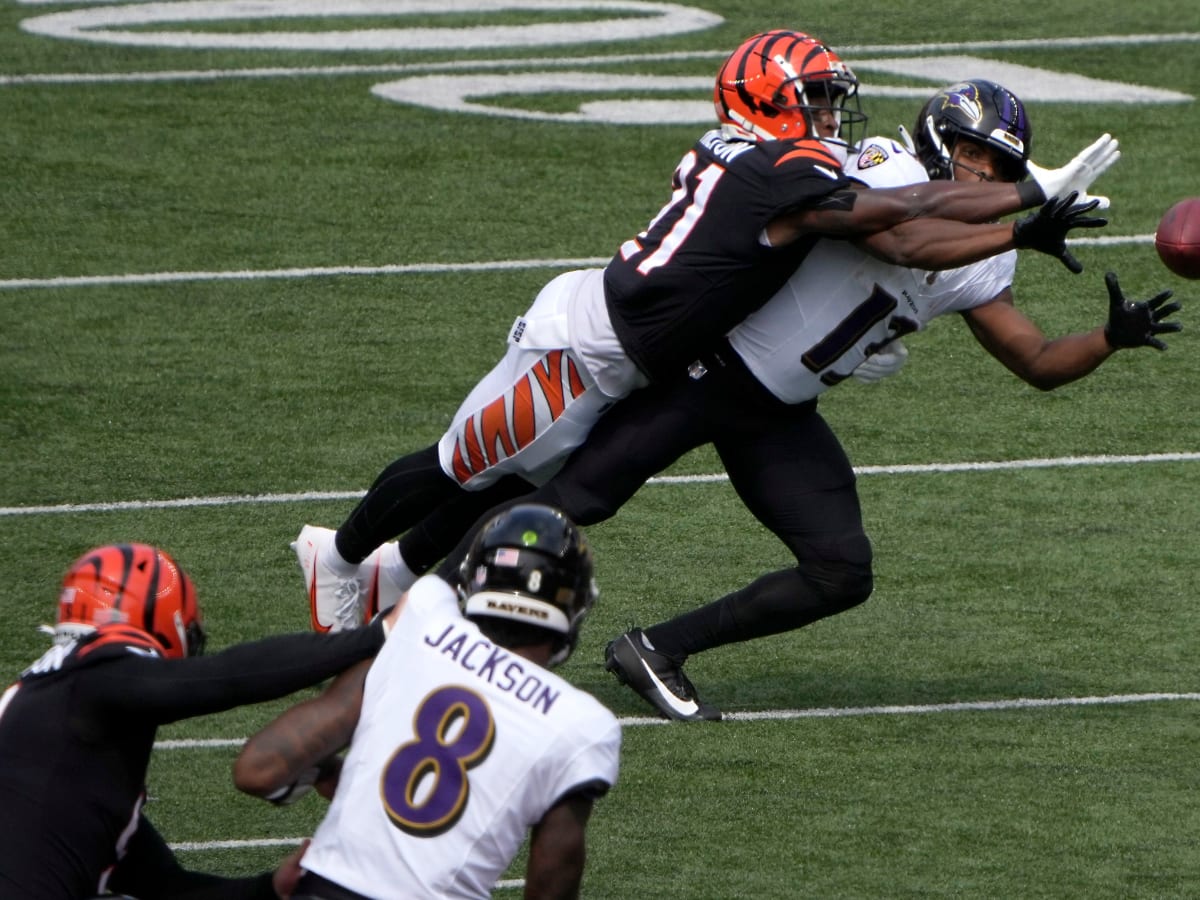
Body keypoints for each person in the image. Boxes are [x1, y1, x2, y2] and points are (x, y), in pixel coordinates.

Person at [344, 79, 1179, 723]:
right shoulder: (881, 165)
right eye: (978, 159)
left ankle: (656, 649)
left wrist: (1108, 339)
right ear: (938, 139)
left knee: (842, 569)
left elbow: (1031, 358)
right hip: (711, 366)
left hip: (778, 409)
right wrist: (1019, 221)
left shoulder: (987, 252)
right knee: (564, 499)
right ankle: (408, 626)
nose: (987, 175)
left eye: (1000, 168)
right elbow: (900, 234)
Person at [234, 505, 619, 900]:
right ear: (573, 609)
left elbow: (258, 770)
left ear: (475, 583)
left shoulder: (425, 615)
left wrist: (329, 772)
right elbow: (549, 885)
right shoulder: (582, 723)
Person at [0, 542, 403, 899]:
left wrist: (270, 887)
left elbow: (170, 888)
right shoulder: (88, 680)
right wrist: (375, 635)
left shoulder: (59, 732)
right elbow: (225, 677)